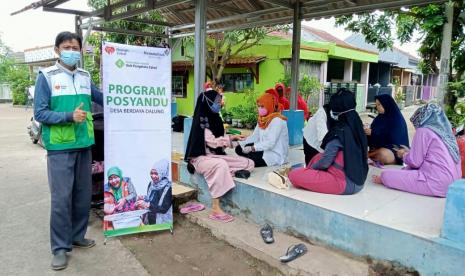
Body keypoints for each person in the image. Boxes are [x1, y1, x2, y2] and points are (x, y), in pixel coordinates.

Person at [33, 31, 103, 270]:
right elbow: (40, 113)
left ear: (81, 51)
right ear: (57, 50)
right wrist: (68, 116)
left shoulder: (85, 75)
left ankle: (77, 235)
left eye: (75, 47)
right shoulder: (46, 76)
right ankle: (60, 248)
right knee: (62, 199)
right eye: (66, 47)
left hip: (84, 144)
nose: (71, 51)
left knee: (83, 196)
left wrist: (127, 93)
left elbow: (101, 98)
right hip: (60, 147)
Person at [185, 83, 254, 223]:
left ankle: (227, 173)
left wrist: (234, 139)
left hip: (214, 157)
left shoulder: (215, 118)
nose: (219, 104)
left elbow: (219, 140)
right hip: (200, 159)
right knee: (220, 164)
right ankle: (216, 208)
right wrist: (230, 139)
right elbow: (213, 142)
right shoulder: (201, 122)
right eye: (217, 102)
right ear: (208, 103)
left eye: (219, 101)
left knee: (248, 162)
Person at [288, 88, 368, 195]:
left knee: (294, 175)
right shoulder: (358, 126)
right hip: (359, 182)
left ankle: (310, 173)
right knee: (316, 157)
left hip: (343, 182)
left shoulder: (339, 131)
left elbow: (325, 162)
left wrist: (311, 170)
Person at [372, 103, 462, 197]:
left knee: (386, 174)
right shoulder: (447, 134)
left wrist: (403, 154)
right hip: (453, 184)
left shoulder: (423, 130)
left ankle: (385, 179)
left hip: (437, 183)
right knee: (405, 170)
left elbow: (415, 162)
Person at [235, 92, 289, 167]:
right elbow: (255, 136)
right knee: (238, 148)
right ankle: (250, 157)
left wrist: (253, 148)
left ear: (269, 105)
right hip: (263, 147)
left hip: (275, 153)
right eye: (259, 106)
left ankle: (251, 158)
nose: (260, 109)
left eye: (262, 106)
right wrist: (240, 143)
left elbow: (270, 143)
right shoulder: (262, 119)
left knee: (251, 158)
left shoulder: (277, 120)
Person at [365, 94, 409, 165]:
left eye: (379, 105)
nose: (377, 107)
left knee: (383, 154)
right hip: (378, 149)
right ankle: (367, 156)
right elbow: (375, 131)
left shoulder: (396, 119)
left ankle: (366, 156)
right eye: (376, 105)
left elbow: (393, 139)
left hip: (394, 152)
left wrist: (373, 133)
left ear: (386, 104)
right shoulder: (379, 117)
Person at [137, 159, 173, 225]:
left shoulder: (169, 187)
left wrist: (146, 204)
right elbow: (151, 199)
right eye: (151, 173)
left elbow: (164, 209)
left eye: (156, 173)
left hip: (161, 221)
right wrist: (143, 198)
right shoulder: (151, 184)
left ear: (162, 173)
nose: (153, 176)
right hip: (150, 218)